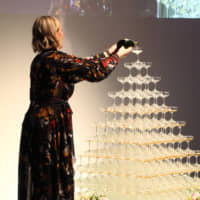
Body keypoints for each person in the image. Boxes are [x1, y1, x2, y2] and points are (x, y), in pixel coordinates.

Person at [18, 15, 133, 200]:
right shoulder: (56, 59)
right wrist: (117, 56)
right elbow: (93, 71)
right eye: (59, 30)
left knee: (41, 180)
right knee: (51, 179)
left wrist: (109, 52)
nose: (62, 34)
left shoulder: (40, 60)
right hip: (50, 126)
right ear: (52, 35)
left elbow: (81, 65)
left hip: (36, 123)